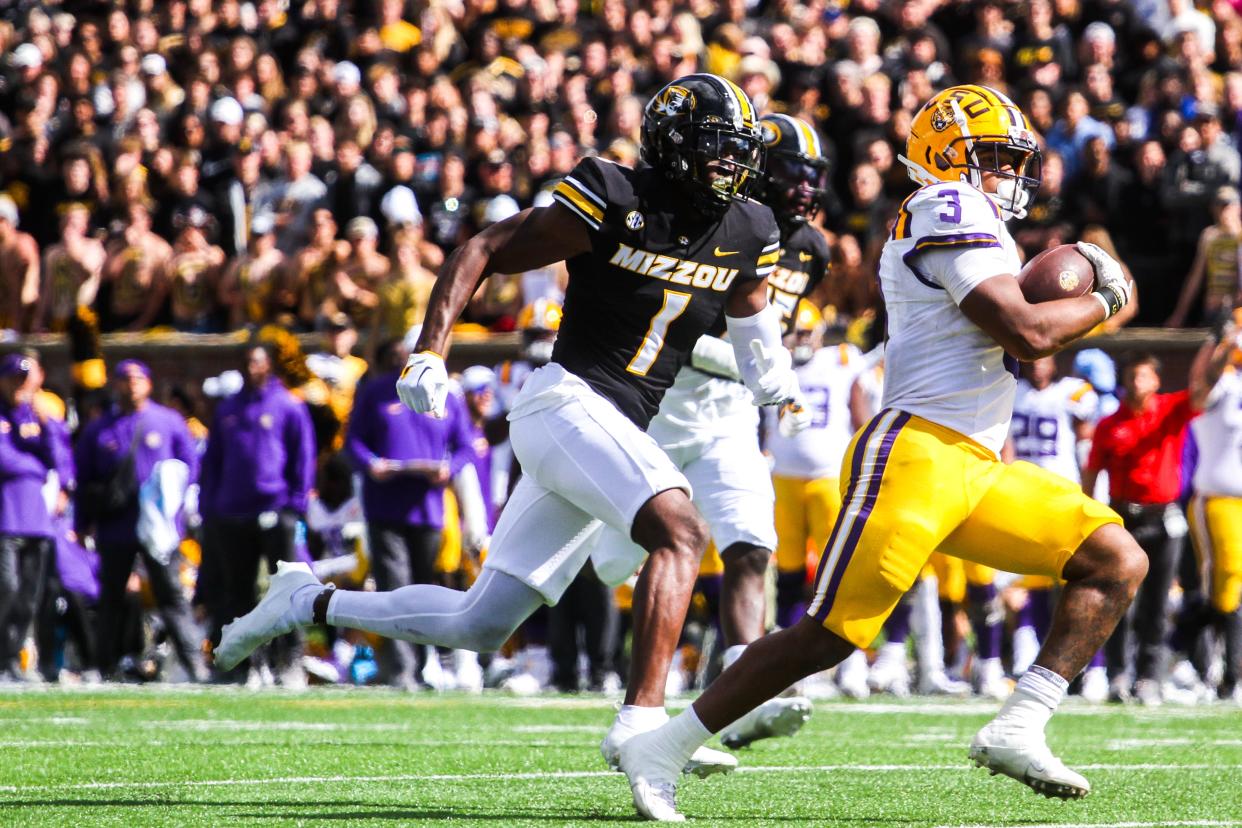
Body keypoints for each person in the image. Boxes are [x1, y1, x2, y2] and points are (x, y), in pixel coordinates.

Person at [216, 74, 795, 776]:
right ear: (673, 148)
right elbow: (484, 247)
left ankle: (305, 600)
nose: (729, 168)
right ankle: (642, 725)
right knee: (680, 531)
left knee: (481, 623)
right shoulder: (615, 195)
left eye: (737, 154)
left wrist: (772, 374)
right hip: (563, 403)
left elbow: (751, 306)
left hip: (616, 432)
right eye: (714, 150)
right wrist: (432, 348)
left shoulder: (748, 228)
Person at [618, 84, 1148, 821]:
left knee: (1114, 559)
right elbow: (1023, 332)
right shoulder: (944, 207)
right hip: (915, 454)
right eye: (994, 157)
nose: (1009, 173)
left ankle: (1020, 722)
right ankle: (663, 745)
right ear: (948, 156)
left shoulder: (983, 220)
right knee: (826, 636)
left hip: (977, 465)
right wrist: (1105, 297)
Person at [589, 112, 830, 751]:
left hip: (730, 420)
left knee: (751, 545)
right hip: (661, 407)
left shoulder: (811, 248)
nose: (806, 189)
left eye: (814, 177)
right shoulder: (718, 223)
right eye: (795, 175)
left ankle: (743, 685)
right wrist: (763, 369)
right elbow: (682, 328)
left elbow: (774, 327)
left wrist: (790, 352)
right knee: (608, 562)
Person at [344, 338, 475, 690]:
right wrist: (372, 465)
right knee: (394, 585)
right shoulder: (376, 392)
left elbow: (465, 445)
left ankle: (423, 664)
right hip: (385, 505)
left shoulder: (447, 395)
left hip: (428, 508)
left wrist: (449, 468)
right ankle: (401, 670)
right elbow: (353, 442)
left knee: (424, 587)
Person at [1083, 350, 1210, 705]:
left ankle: (1149, 678)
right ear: (1124, 381)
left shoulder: (1170, 411)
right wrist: (1087, 514)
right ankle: (1117, 673)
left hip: (1163, 519)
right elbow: (1091, 473)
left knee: (1156, 604)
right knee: (1120, 601)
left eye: (1145, 376)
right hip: (1123, 518)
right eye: (1133, 376)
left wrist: (1218, 344)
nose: (1138, 383)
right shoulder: (1110, 424)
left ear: (1156, 381)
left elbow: (1204, 387)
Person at [73, 359, 205, 682]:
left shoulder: (168, 422)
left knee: (171, 594)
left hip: (158, 530)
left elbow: (190, 466)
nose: (131, 384)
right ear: (115, 384)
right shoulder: (100, 428)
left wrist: (174, 506)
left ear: (148, 383)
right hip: (116, 526)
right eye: (124, 378)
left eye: (137, 378)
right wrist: (81, 522)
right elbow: (84, 479)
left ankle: (195, 664)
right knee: (112, 598)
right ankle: (103, 665)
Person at [200, 343, 316, 686]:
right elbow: (213, 461)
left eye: (258, 362)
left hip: (275, 507)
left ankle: (289, 660)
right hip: (232, 511)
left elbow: (303, 455)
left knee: (285, 587)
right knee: (237, 591)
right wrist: (210, 506)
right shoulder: (228, 410)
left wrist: (294, 505)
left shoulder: (287, 406)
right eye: (247, 362)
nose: (252, 368)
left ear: (269, 366)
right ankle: (242, 663)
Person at [1185, 315, 1242, 702]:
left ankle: (1230, 672)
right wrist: (1220, 341)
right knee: (1223, 581)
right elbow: (1200, 384)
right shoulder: (1223, 384)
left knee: (1234, 587)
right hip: (1217, 499)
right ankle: (1211, 668)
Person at [0, 354, 67, 681]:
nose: (18, 385)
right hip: (6, 518)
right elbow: (5, 460)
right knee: (6, 588)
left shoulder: (36, 415)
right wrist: (35, 468)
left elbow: (59, 460)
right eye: (13, 377)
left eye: (22, 378)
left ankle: (11, 658)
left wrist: (48, 426)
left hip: (36, 520)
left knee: (29, 597)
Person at [0, 194, 40, 332]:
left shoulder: (21, 243)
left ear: (10, 221)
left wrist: (29, 288)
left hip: (20, 318)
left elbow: (31, 268)